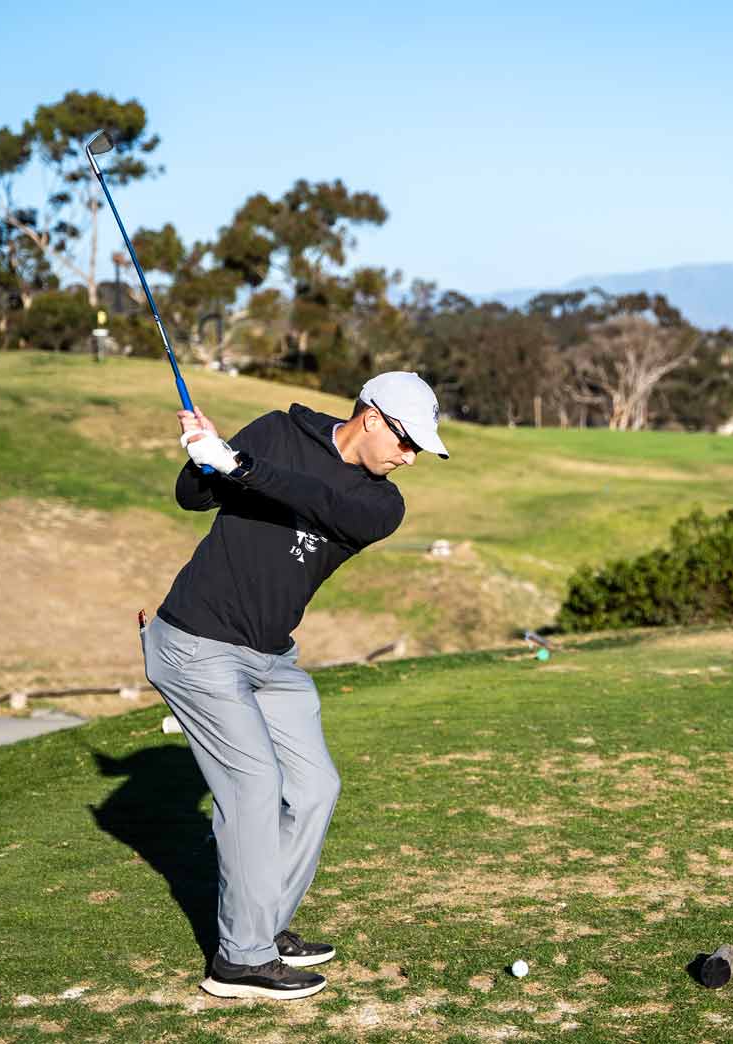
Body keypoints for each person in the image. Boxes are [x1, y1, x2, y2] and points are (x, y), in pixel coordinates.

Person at [141, 371, 448, 1000]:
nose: (410, 457)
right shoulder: (277, 432)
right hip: (197, 643)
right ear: (372, 418)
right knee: (254, 787)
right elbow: (191, 497)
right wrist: (205, 457)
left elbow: (318, 501)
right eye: (407, 441)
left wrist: (240, 465)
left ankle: (261, 924)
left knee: (314, 790)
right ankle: (240, 962)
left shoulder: (382, 506)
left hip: (273, 659)